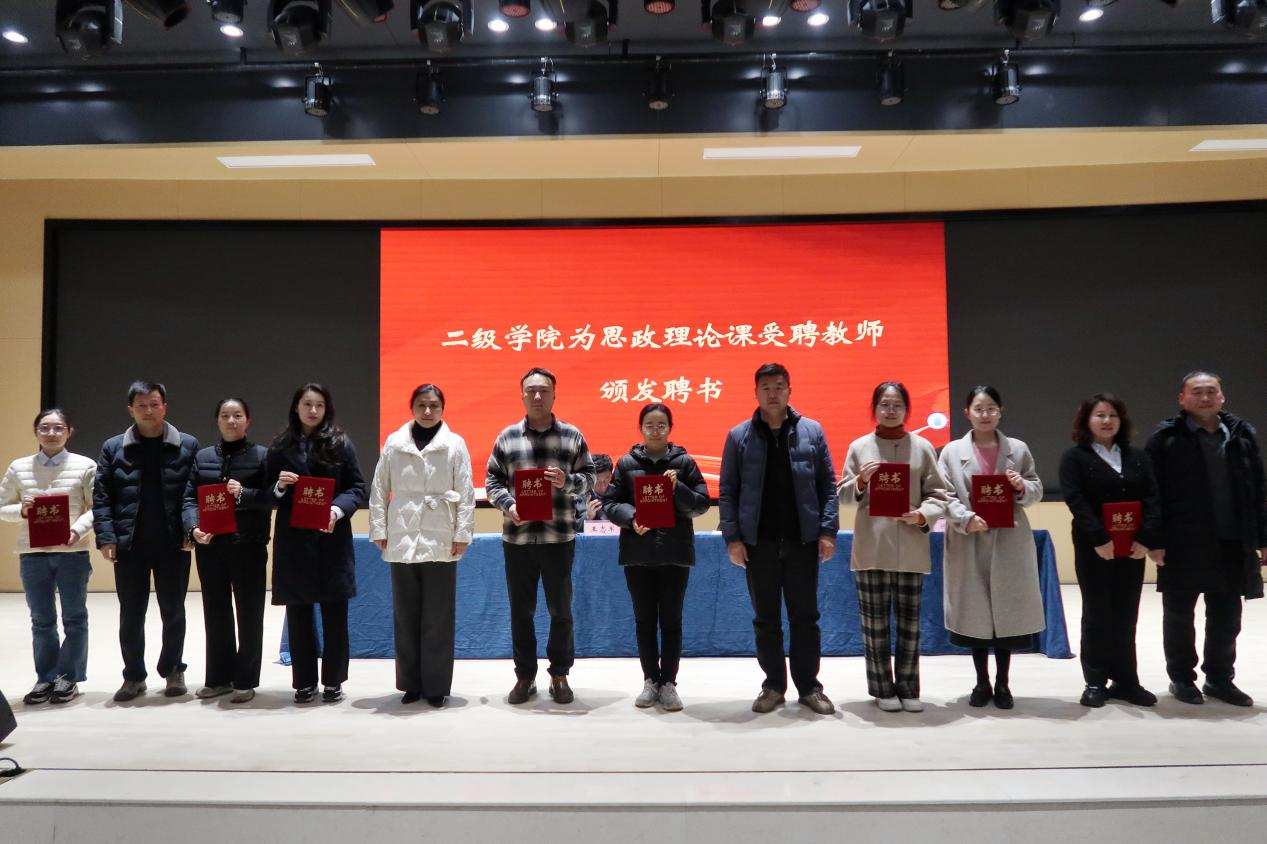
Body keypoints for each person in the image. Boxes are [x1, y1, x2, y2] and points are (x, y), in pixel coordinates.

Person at [718, 362, 839, 716]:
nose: (773, 394)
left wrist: (827, 531)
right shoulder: (738, 436)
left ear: (789, 390)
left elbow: (827, 486)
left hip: (803, 541)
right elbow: (728, 491)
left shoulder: (811, 431)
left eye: (779, 387)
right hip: (759, 544)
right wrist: (733, 538)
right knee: (766, 619)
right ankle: (773, 686)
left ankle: (809, 687)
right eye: (766, 388)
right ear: (756, 392)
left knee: (806, 618)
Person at [1145, 371, 1266, 707]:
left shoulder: (1241, 435)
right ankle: (1182, 678)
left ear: (1222, 397)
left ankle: (1219, 679)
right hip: (1182, 542)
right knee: (1179, 616)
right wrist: (1154, 539)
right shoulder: (1166, 438)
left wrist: (1262, 537)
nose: (1205, 397)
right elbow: (1151, 491)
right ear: (1182, 398)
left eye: (1211, 391)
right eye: (1197, 392)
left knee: (1227, 617)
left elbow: (1258, 487)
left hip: (1232, 541)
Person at [485, 367, 596, 706]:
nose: (537, 396)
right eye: (531, 390)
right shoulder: (507, 437)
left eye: (543, 390)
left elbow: (591, 477)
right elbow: (492, 481)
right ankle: (525, 676)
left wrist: (568, 481)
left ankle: (559, 674)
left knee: (560, 610)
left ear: (554, 395)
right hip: (517, 539)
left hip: (558, 538)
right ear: (522, 395)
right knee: (522, 612)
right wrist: (509, 505)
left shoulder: (572, 436)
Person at [839, 382, 948, 714]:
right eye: (884, 404)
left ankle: (908, 688)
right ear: (874, 409)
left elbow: (939, 494)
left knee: (909, 624)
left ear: (907, 409)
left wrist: (922, 514)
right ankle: (882, 689)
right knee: (874, 625)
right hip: (872, 546)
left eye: (897, 404)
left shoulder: (923, 447)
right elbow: (842, 495)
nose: (890, 410)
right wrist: (860, 481)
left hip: (911, 544)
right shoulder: (859, 447)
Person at [938, 385, 1044, 710]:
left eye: (991, 409)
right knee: (977, 613)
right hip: (969, 538)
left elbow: (1036, 487)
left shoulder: (1018, 449)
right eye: (978, 408)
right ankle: (981, 681)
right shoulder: (951, 452)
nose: (985, 415)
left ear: (1001, 412)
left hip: (1009, 539)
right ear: (967, 413)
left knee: (1005, 613)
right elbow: (943, 495)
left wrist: (1021, 486)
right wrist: (966, 518)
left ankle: (1003, 682)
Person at [369, 384, 475, 707]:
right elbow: (379, 487)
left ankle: (436, 686)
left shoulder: (455, 444)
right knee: (406, 613)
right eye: (421, 405)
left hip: (441, 532)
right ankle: (411, 684)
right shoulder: (394, 442)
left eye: (434, 406)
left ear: (442, 408)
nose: (427, 411)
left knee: (438, 616)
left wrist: (462, 533)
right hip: (402, 531)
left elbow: (466, 491)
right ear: (412, 407)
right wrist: (379, 528)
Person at [94, 381, 199, 702]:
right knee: (131, 613)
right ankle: (133, 676)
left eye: (154, 404)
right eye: (141, 405)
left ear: (165, 406)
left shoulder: (187, 445)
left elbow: (194, 494)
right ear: (130, 410)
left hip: (173, 543)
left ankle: (173, 669)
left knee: (174, 610)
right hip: (130, 545)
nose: (148, 411)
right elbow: (102, 496)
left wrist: (190, 531)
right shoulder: (113, 447)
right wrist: (106, 536)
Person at [601, 403, 710, 711]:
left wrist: (678, 488)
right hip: (638, 554)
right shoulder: (626, 463)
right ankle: (650, 680)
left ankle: (669, 683)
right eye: (649, 425)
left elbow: (701, 504)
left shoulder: (684, 463)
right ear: (641, 428)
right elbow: (610, 503)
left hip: (675, 554)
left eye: (661, 425)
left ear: (670, 429)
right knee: (644, 621)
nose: (655, 430)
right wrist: (631, 517)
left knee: (672, 622)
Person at [1059, 393, 1163, 708]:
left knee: (1126, 613)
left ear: (1121, 420)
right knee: (1097, 614)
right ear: (1087, 420)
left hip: (1132, 547)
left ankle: (1126, 681)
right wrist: (1099, 538)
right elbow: (1076, 500)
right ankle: (1095, 681)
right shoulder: (1074, 458)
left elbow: (1152, 497)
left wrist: (1145, 538)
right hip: (1095, 548)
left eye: (1113, 415)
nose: (1107, 421)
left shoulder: (1138, 457)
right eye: (1100, 415)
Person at [267, 383, 367, 704]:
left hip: (331, 537)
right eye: (307, 404)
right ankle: (304, 682)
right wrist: (279, 487)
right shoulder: (280, 446)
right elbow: (266, 491)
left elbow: (357, 487)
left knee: (335, 613)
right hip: (294, 540)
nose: (313, 410)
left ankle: (334, 681)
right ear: (296, 407)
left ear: (327, 409)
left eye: (319, 405)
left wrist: (336, 510)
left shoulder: (340, 443)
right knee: (299, 614)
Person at [0, 409, 96, 705]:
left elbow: (97, 507)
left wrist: (77, 530)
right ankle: (45, 677)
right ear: (36, 432)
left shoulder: (85, 465)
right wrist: (21, 510)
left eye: (58, 428)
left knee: (74, 617)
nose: (51, 433)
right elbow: (2, 508)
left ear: (69, 431)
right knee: (41, 619)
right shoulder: (19, 467)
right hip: (33, 554)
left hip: (72, 552)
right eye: (45, 428)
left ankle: (68, 677)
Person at [181, 398, 273, 704]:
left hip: (249, 545)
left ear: (248, 420)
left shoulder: (263, 456)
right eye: (225, 415)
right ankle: (219, 678)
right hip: (211, 546)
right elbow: (189, 499)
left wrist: (244, 493)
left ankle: (245, 680)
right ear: (217, 420)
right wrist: (193, 528)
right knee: (215, 612)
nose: (231, 420)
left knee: (249, 614)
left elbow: (272, 498)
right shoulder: (203, 456)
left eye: (237, 415)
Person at [577, 453, 614, 528]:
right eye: (597, 481)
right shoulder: (578, 495)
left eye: (607, 479)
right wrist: (588, 517)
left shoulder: (619, 492)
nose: (602, 486)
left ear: (611, 475)